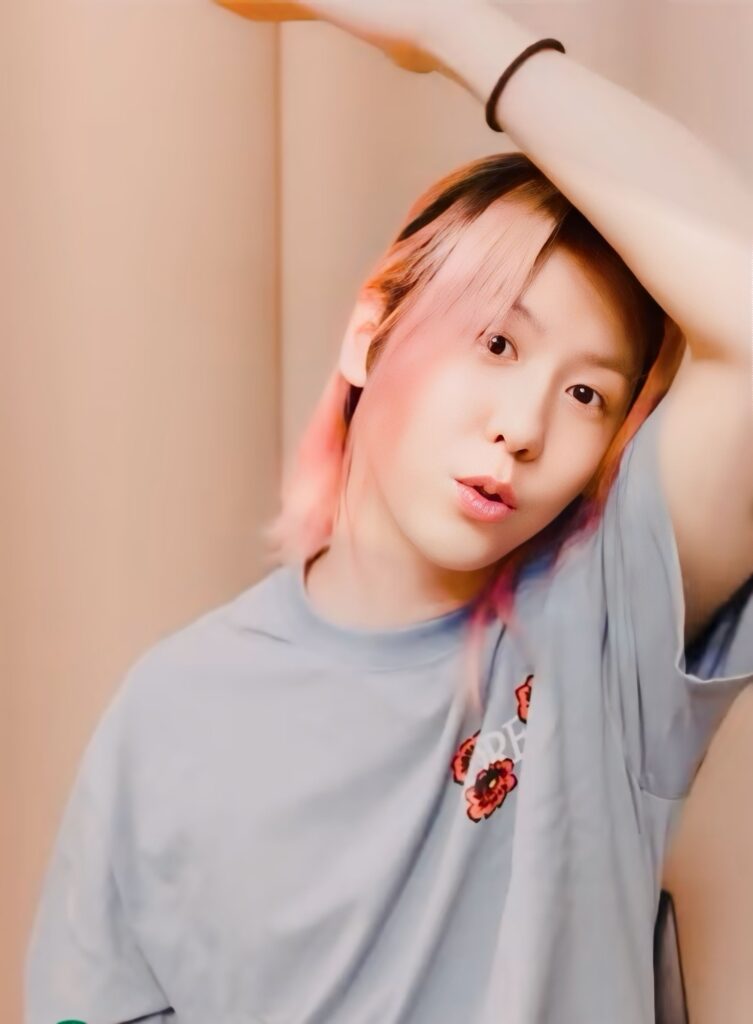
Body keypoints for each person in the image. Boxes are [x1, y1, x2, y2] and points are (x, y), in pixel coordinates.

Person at [24, 2, 753, 1023]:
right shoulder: (170, 710)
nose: (523, 427)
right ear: (370, 335)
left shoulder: (599, 631)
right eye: (496, 342)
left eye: (587, 394)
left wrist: (446, 29)